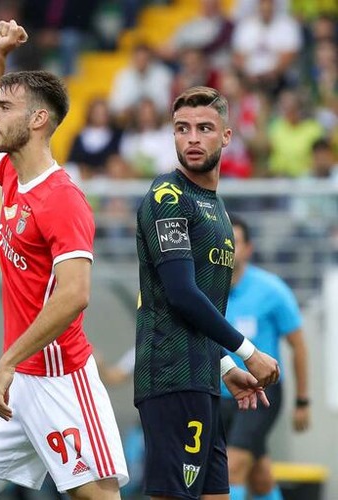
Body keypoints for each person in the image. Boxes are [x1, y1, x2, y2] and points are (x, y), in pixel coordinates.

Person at [0, 20, 128, 500]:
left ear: (39, 119)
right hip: (17, 382)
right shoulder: (10, 174)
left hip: (60, 380)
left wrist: (7, 360)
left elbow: (75, 294)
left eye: (5, 107)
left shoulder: (62, 198)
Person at [134, 85, 281, 500]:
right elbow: (181, 294)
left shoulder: (216, 207)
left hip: (203, 380)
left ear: (227, 136)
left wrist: (224, 367)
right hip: (170, 377)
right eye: (182, 129)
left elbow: (196, 310)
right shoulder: (167, 197)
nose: (192, 138)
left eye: (204, 128)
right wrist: (247, 352)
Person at [222, 214, 310, 500]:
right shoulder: (205, 291)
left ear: (248, 249)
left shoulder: (271, 290)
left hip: (260, 395)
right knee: (260, 478)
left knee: (232, 469)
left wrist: (302, 401)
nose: (228, 248)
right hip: (219, 395)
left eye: (235, 242)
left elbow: (298, 346)